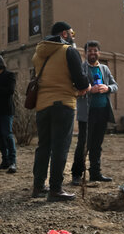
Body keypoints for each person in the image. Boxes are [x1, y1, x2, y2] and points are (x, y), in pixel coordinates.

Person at [31, 22, 89, 201]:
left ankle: (39, 187)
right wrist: (86, 85)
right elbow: (80, 81)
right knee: (60, 147)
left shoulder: (38, 53)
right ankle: (56, 189)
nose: (73, 36)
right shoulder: (68, 51)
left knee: (44, 146)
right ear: (64, 33)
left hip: (42, 105)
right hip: (63, 104)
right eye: (72, 33)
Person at [70, 40, 118, 185]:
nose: (92, 53)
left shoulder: (105, 69)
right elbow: (75, 88)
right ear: (85, 53)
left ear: (99, 53)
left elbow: (115, 85)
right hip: (87, 113)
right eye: (89, 51)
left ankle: (95, 173)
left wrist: (107, 88)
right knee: (83, 144)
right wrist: (90, 89)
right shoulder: (81, 68)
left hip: (103, 111)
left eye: (95, 50)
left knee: (97, 144)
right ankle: (76, 175)